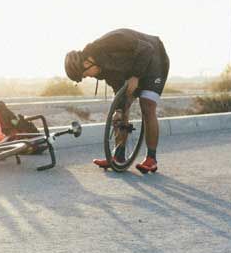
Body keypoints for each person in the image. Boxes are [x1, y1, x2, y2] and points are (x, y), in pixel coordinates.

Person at [64, 28, 169, 173]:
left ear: (88, 62)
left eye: (85, 73)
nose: (88, 76)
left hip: (155, 59)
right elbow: (118, 89)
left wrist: (135, 76)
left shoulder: (112, 42)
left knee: (147, 106)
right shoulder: (102, 69)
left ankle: (151, 159)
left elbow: (147, 48)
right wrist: (119, 110)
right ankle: (118, 156)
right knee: (122, 108)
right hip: (134, 69)